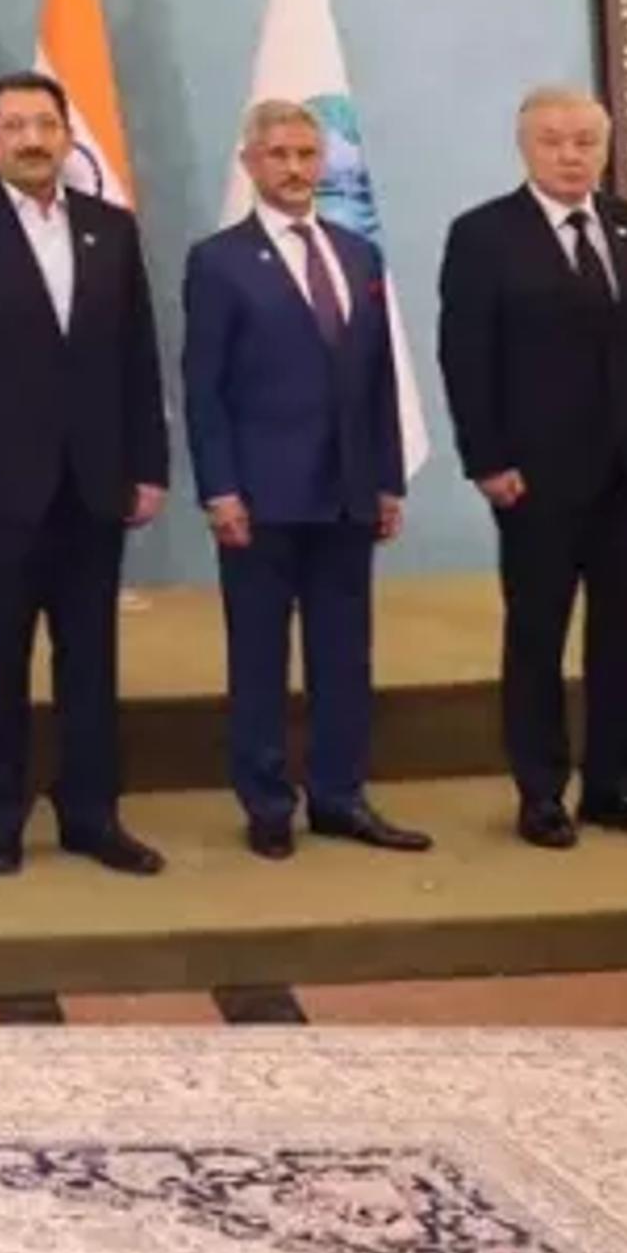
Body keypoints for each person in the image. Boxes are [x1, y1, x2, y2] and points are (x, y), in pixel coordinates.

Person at [0, 70, 171, 876]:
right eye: (15, 126)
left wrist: (148, 464)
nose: (32, 139)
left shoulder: (110, 228)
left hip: (95, 479)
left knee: (90, 656)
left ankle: (92, 815)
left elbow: (137, 354)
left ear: (65, 135)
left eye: (45, 125)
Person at [185, 98, 425, 859]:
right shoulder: (219, 260)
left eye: (306, 154)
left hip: (349, 490)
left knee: (344, 651)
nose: (294, 169)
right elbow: (204, 387)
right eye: (279, 155)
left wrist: (388, 479)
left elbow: (379, 377)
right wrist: (219, 488)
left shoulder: (358, 256)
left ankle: (339, 795)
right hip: (260, 496)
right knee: (259, 656)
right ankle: (265, 802)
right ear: (251, 164)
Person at [437, 84, 627, 848]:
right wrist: (487, 459)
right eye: (554, 141)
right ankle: (540, 792)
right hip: (535, 477)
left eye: (585, 141)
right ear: (526, 147)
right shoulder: (484, 235)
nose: (571, 155)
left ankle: (617, 784)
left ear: (603, 147)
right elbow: (466, 357)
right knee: (538, 633)